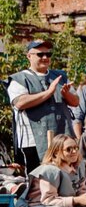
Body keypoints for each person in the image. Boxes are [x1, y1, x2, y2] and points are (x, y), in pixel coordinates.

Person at [7, 38, 80, 171]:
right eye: (40, 54)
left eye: (48, 54)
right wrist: (49, 92)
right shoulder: (19, 79)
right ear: (29, 56)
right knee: (37, 180)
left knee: (64, 176)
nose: (45, 57)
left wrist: (66, 94)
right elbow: (20, 103)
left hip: (62, 139)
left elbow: (75, 102)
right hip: (32, 141)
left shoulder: (59, 76)